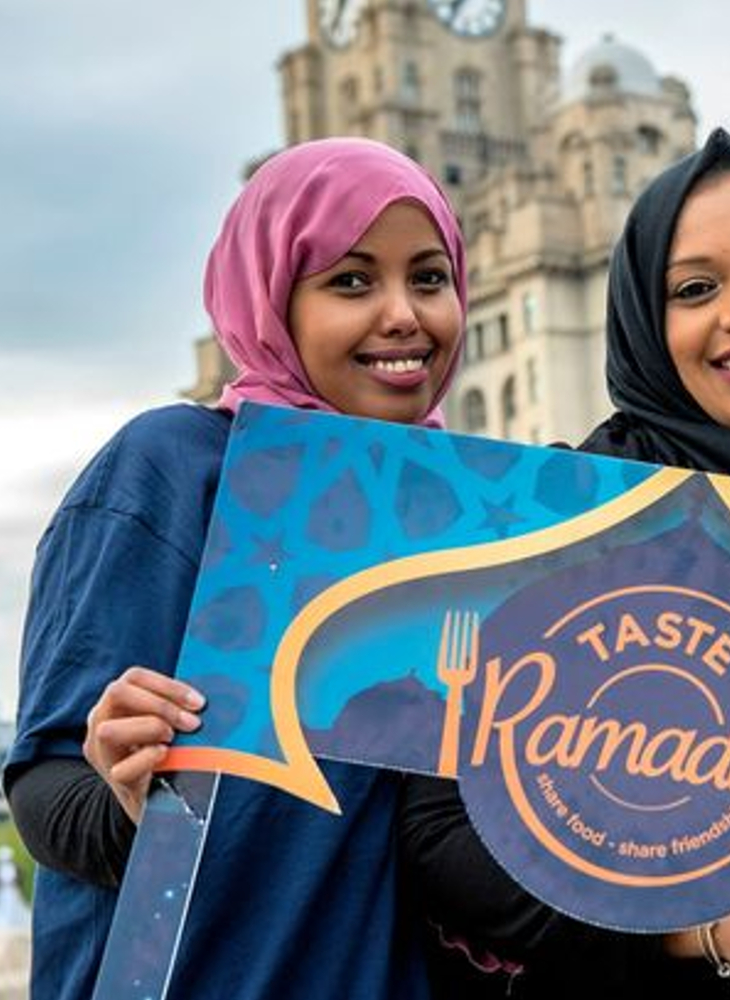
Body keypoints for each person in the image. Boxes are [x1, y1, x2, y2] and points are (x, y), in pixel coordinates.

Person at [398, 127, 730, 998]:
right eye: (696, 288)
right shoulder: (563, 524)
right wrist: (698, 924)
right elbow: (446, 834)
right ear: (643, 320)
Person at [4, 136, 468, 1000]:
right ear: (269, 298)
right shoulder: (174, 468)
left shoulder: (472, 517)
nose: (405, 314)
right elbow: (43, 788)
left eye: (430, 277)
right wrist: (128, 799)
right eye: (351, 280)